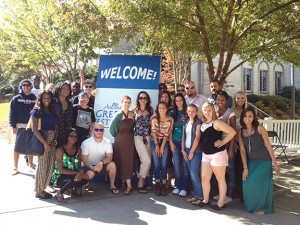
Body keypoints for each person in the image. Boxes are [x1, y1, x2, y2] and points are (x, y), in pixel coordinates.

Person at [237, 107, 280, 214]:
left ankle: (265, 208)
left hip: (264, 160)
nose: (247, 118)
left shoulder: (260, 128)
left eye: (250, 116)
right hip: (252, 161)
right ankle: (254, 206)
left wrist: (275, 163)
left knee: (261, 184)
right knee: (247, 184)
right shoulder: (240, 132)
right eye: (245, 116)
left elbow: (268, 146)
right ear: (242, 118)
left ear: (254, 117)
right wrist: (245, 167)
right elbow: (242, 150)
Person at [198, 102, 236, 210]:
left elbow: (232, 132)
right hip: (206, 155)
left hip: (217, 154)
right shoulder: (203, 123)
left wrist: (223, 142)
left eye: (209, 110)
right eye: (205, 110)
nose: (207, 112)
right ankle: (205, 200)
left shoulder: (217, 122)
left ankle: (220, 203)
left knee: (220, 179)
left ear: (213, 111)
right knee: (204, 178)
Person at [32, 90, 59, 199]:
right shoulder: (37, 111)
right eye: (44, 98)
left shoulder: (53, 111)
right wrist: (45, 143)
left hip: (53, 141)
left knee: (50, 165)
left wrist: (53, 141)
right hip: (42, 139)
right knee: (42, 166)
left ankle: (43, 187)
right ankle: (38, 190)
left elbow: (56, 127)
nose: (46, 100)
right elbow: (34, 129)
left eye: (48, 98)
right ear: (40, 99)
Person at [51, 128, 89, 203]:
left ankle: (70, 188)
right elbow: (61, 170)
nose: (73, 138)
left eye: (76, 136)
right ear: (67, 136)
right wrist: (76, 173)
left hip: (73, 175)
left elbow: (79, 165)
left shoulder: (78, 150)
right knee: (72, 178)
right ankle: (59, 193)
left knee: (85, 178)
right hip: (59, 177)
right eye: (71, 136)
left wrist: (81, 173)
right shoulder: (60, 150)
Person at [81, 122, 119, 195]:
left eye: (101, 130)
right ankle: (84, 184)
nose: (99, 131)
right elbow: (84, 159)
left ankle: (112, 186)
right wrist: (93, 168)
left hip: (101, 165)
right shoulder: (86, 143)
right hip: (88, 166)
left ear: (103, 131)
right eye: (96, 129)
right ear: (93, 130)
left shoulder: (107, 142)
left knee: (112, 165)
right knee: (90, 174)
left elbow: (109, 157)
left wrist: (101, 162)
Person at [9, 79, 36, 175]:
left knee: (30, 146)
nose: (26, 87)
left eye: (28, 85)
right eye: (24, 85)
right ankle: (15, 167)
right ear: (21, 87)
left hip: (32, 126)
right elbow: (12, 113)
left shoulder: (34, 98)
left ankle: (30, 165)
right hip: (19, 126)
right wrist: (13, 126)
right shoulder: (16, 99)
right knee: (17, 147)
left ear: (31, 86)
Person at [109, 96, 135, 195]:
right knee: (120, 160)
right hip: (120, 141)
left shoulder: (132, 114)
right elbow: (112, 129)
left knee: (128, 161)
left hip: (130, 141)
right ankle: (124, 183)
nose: (127, 104)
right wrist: (119, 135)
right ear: (122, 102)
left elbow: (133, 127)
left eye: (129, 102)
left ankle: (127, 184)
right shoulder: (118, 115)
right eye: (125, 102)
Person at [215, 90, 236, 203]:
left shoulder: (230, 113)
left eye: (222, 99)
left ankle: (229, 194)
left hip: (228, 144)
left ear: (226, 100)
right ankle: (220, 193)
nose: (220, 101)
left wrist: (231, 149)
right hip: (217, 144)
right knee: (220, 170)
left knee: (230, 169)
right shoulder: (214, 112)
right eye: (218, 99)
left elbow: (233, 132)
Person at [150, 102, 173, 196]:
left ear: (166, 109)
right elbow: (154, 132)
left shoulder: (170, 120)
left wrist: (162, 147)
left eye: (163, 108)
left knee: (163, 163)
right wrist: (157, 146)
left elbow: (166, 134)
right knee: (156, 163)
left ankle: (163, 184)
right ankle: (157, 184)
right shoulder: (154, 118)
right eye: (159, 108)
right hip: (154, 141)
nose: (161, 110)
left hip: (164, 141)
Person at [182, 103, 203, 204]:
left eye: (193, 111)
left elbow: (198, 137)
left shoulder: (198, 122)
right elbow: (183, 136)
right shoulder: (186, 122)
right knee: (191, 173)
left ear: (196, 111)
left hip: (195, 151)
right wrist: (182, 150)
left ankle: (200, 196)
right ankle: (196, 194)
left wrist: (192, 151)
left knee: (194, 173)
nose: (191, 113)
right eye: (189, 111)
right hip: (186, 150)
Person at [133, 91, 154, 194]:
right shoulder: (134, 110)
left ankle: (144, 182)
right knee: (146, 161)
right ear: (138, 99)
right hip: (138, 137)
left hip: (148, 137)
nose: (143, 99)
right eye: (141, 97)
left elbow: (153, 124)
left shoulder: (150, 110)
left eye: (145, 98)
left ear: (147, 99)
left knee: (147, 161)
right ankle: (140, 183)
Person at [169, 93, 189, 197]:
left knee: (185, 166)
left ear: (183, 101)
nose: (178, 103)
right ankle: (178, 186)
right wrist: (171, 142)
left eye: (180, 100)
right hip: (175, 142)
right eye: (176, 101)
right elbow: (169, 129)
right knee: (177, 166)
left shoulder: (187, 112)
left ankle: (185, 187)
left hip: (186, 143)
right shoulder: (172, 112)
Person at [232, 91, 248, 200]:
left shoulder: (248, 111)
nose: (240, 100)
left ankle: (245, 192)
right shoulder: (232, 112)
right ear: (234, 99)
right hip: (235, 143)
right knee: (236, 168)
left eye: (242, 98)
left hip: (246, 143)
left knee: (245, 167)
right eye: (238, 98)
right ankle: (237, 192)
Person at [53, 82, 73, 147]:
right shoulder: (53, 102)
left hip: (67, 133)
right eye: (63, 88)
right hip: (55, 133)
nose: (66, 90)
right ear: (59, 90)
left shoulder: (70, 104)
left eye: (68, 89)